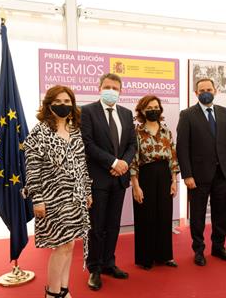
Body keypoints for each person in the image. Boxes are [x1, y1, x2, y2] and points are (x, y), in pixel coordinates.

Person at [24, 85, 92, 298]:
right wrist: (37, 199)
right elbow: (32, 168)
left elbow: (82, 165)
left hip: (75, 198)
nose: (63, 106)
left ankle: (63, 288)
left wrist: (87, 191)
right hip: (52, 198)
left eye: (67, 102)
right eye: (58, 102)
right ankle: (52, 293)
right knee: (60, 246)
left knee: (70, 244)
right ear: (49, 105)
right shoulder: (39, 132)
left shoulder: (75, 130)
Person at [81, 73, 137, 290]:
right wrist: (113, 162)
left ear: (120, 90)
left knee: (113, 225)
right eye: (107, 86)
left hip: (119, 180)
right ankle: (94, 268)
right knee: (97, 226)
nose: (111, 90)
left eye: (115, 87)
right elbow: (88, 143)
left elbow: (132, 144)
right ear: (99, 87)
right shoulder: (87, 112)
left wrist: (124, 163)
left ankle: (108, 263)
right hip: (99, 179)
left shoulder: (126, 113)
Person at [176, 78, 226, 266]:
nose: (206, 92)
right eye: (202, 89)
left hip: (221, 173)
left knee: (221, 213)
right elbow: (182, 148)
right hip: (197, 176)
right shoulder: (187, 115)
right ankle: (198, 250)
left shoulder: (224, 113)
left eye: (209, 89)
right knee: (197, 215)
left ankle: (219, 247)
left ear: (216, 91)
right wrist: (187, 175)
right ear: (196, 93)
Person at [130, 95, 179, 270]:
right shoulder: (136, 132)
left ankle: (165, 256)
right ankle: (146, 258)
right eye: (149, 107)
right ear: (142, 110)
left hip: (165, 174)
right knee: (145, 215)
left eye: (156, 106)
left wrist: (174, 181)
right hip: (145, 175)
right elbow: (133, 160)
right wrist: (135, 185)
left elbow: (173, 157)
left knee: (165, 216)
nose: (153, 110)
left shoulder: (166, 131)